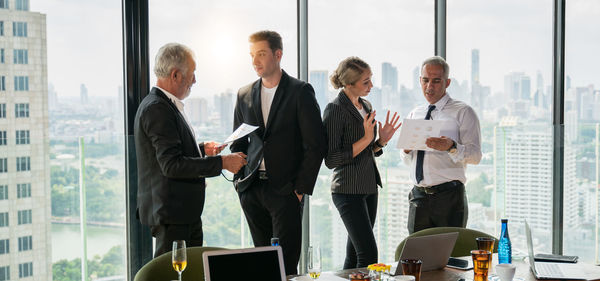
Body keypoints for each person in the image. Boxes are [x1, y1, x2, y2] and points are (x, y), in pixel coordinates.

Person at [134, 43, 247, 257]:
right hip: (172, 215)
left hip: (181, 213)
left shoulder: (164, 104)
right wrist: (223, 162)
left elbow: (171, 152)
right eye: (192, 74)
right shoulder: (157, 109)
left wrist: (203, 149)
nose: (195, 80)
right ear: (175, 75)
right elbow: (171, 165)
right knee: (173, 275)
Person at [230, 30, 327, 275]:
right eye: (252, 55)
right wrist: (240, 183)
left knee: (286, 266)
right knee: (261, 264)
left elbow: (315, 145)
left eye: (261, 54)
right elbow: (238, 143)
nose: (255, 61)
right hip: (252, 190)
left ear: (278, 54)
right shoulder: (243, 94)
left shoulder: (300, 91)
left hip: (285, 192)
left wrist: (299, 190)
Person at [323, 57, 401, 269]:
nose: (371, 86)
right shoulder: (335, 109)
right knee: (368, 254)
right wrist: (366, 139)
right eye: (365, 82)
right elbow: (331, 160)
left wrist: (380, 142)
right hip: (347, 191)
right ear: (349, 84)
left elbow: (368, 152)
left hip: (368, 187)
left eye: (370, 79)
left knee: (355, 254)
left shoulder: (365, 105)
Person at [402, 56, 482, 234]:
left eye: (436, 81)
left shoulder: (463, 112)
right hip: (418, 197)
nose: (429, 86)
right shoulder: (415, 113)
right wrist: (406, 151)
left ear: (447, 82)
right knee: (416, 257)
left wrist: (451, 147)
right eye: (425, 80)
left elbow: (476, 156)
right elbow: (408, 160)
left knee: (450, 257)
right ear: (420, 81)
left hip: (449, 198)